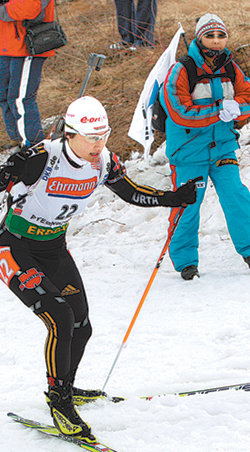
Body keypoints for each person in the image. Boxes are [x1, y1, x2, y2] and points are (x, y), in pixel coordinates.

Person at [0, 96, 198, 440]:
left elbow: (130, 191)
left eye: (103, 135)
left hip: (54, 248)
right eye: (91, 137)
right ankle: (59, 404)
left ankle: (68, 387)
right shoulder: (42, 158)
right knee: (59, 317)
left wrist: (171, 198)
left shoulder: (104, 161)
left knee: (81, 325)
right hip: (15, 246)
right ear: (69, 134)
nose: (98, 144)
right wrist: (7, 171)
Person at [159, 13, 250, 280]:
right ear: (199, 38)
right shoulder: (182, 69)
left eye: (221, 35)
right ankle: (186, 261)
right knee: (188, 204)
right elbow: (179, 112)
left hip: (222, 148)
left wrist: (238, 109)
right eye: (210, 35)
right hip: (188, 153)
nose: (216, 41)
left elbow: (246, 97)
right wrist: (220, 110)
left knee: (237, 196)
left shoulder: (231, 67)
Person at [0, 0, 55, 150]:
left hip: (27, 44)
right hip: (6, 44)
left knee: (20, 98)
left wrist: (3, 8)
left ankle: (34, 145)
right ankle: (17, 139)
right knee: (4, 95)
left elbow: (30, 8)